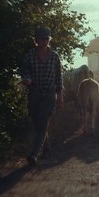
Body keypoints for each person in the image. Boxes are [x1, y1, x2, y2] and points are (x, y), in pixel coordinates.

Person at [19, 26, 63, 166]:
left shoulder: (55, 57)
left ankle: (34, 154)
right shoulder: (29, 55)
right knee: (37, 123)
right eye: (40, 39)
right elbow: (24, 70)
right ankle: (47, 147)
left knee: (43, 122)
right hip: (34, 93)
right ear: (36, 40)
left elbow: (58, 77)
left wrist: (60, 96)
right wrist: (27, 78)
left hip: (49, 94)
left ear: (49, 40)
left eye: (46, 39)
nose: (43, 42)